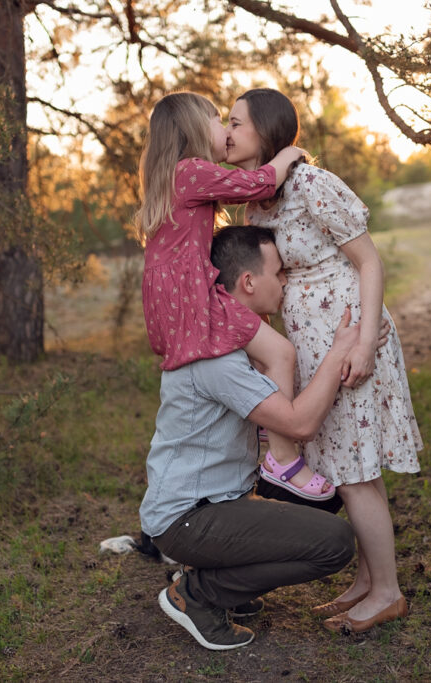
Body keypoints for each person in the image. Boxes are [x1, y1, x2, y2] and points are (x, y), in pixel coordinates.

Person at [225, 88, 424, 634]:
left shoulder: (311, 183)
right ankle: (365, 581)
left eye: (236, 122)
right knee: (348, 467)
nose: (226, 131)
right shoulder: (257, 203)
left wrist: (362, 343)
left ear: (265, 132)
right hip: (312, 349)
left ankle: (387, 592)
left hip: (348, 337)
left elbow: (369, 261)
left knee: (356, 473)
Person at [139, 238, 363, 650]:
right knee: (334, 543)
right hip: (187, 519)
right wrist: (339, 353)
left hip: (212, 505)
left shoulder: (226, 342)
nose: (285, 282)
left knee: (300, 524)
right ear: (247, 282)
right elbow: (299, 424)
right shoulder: (217, 361)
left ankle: (225, 586)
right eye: (278, 272)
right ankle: (199, 595)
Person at [136, 91, 333, 501]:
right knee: (281, 353)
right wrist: (288, 156)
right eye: (218, 121)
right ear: (194, 128)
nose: (225, 131)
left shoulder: (175, 177)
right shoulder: (190, 171)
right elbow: (257, 184)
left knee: (265, 348)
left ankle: (267, 412)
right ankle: (282, 458)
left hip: (181, 305)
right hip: (195, 303)